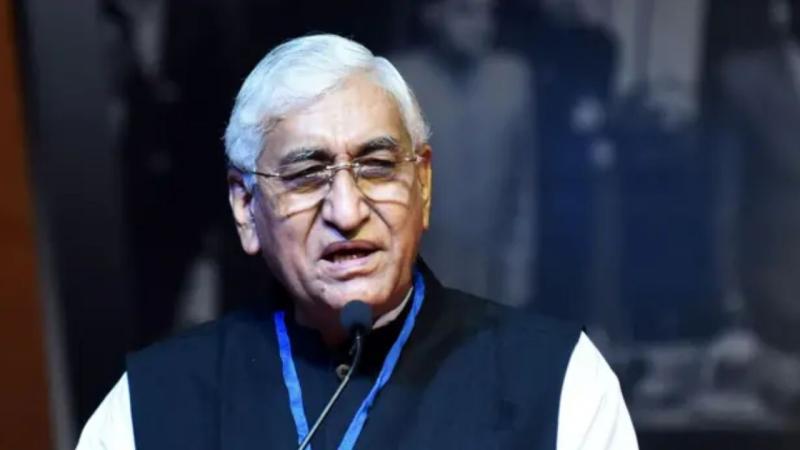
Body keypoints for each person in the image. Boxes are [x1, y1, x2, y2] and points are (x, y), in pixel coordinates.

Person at [76, 34, 637, 449]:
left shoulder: (559, 383)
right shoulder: (149, 407)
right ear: (246, 207)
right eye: (306, 175)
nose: (347, 212)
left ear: (422, 185)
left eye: (376, 166)